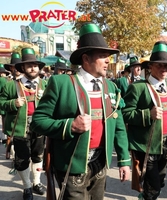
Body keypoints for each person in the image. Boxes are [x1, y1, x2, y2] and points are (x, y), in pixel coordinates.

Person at [30, 23, 131, 200]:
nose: (108, 60)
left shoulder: (111, 87)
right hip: (72, 164)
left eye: (108, 56)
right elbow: (38, 121)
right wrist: (70, 125)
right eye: (102, 56)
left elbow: (119, 125)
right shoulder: (60, 83)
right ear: (86, 58)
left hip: (100, 164)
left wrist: (124, 161)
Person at [122, 41, 167, 200]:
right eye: (160, 65)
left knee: (159, 183)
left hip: (164, 145)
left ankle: (146, 195)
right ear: (150, 66)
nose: (164, 69)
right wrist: (148, 114)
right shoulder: (138, 87)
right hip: (145, 146)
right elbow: (125, 114)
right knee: (154, 187)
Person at [0, 47, 47, 200]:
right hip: (20, 128)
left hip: (40, 126)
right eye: (29, 65)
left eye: (35, 65)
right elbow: (1, 103)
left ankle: (36, 182)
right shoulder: (11, 85)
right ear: (23, 68)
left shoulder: (45, 84)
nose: (33, 68)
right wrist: (14, 103)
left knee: (38, 156)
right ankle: (27, 186)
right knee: (22, 159)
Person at [0, 64, 10, 144]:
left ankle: (4, 137)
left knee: (3, 121)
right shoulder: (7, 80)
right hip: (6, 102)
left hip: (3, 102)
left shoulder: (2, 80)